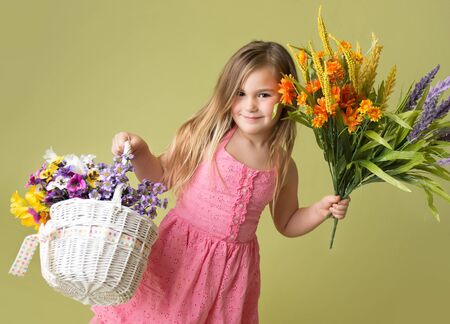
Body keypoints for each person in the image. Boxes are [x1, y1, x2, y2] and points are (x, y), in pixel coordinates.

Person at [90, 40, 351, 324]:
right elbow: (160, 178)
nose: (250, 105)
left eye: (263, 94)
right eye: (241, 93)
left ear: (286, 97)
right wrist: (140, 150)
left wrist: (321, 210)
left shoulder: (283, 167)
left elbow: (287, 222)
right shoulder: (207, 137)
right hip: (179, 259)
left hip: (231, 278)